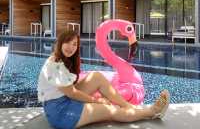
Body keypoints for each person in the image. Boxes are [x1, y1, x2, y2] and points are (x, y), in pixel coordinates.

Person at [37, 30, 170, 129]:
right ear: (60, 42)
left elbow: (69, 90)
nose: (71, 47)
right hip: (61, 113)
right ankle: (152, 112)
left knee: (96, 77)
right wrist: (97, 100)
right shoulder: (55, 66)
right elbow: (72, 93)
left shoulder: (59, 59)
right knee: (110, 111)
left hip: (63, 99)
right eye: (67, 42)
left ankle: (128, 106)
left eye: (74, 44)